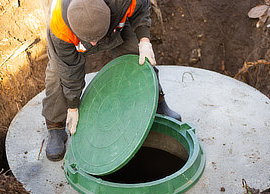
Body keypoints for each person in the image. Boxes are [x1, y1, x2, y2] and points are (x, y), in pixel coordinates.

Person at [43, 0, 181, 161]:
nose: (94, 45)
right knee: (57, 76)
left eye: (96, 39)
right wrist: (72, 106)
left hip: (114, 27)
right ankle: (55, 126)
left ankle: (156, 101)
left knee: (138, 56)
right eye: (91, 41)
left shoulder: (124, 2)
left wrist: (144, 40)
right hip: (71, 37)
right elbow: (70, 70)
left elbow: (141, 9)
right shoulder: (60, 27)